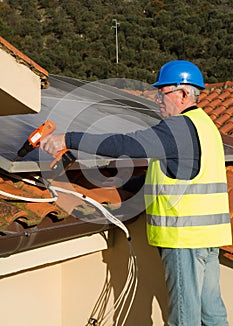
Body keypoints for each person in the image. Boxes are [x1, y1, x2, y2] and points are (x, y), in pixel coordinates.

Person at [40, 60, 232, 325]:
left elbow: (128, 144)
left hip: (183, 238)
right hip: (208, 237)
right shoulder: (206, 126)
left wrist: (68, 139)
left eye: (162, 92)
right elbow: (179, 174)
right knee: (212, 315)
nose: (157, 100)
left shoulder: (178, 128)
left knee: (184, 318)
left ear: (184, 93)